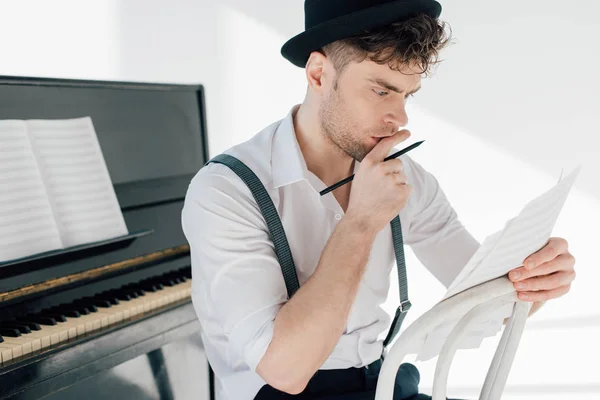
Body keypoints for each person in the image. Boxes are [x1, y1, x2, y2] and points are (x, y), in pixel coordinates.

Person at [181, 1, 577, 399]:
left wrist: (534, 280)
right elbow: (285, 370)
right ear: (319, 73)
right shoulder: (226, 191)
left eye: (407, 95)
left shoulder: (408, 181)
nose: (399, 117)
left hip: (385, 383)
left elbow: (489, 303)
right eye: (380, 90)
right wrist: (361, 222)